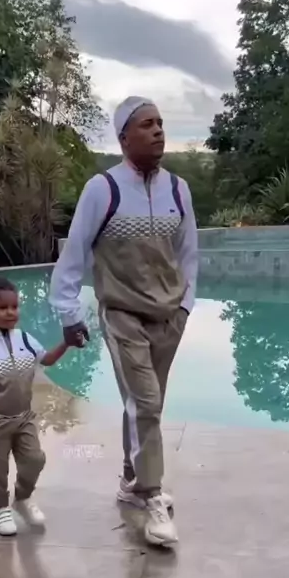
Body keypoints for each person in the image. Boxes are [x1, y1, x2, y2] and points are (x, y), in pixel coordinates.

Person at [49, 96, 198, 547]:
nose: (158, 131)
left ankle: (132, 481)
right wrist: (69, 313)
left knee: (144, 404)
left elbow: (188, 255)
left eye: (160, 123)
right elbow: (73, 255)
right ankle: (152, 496)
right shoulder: (104, 190)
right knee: (146, 402)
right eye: (147, 124)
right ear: (123, 137)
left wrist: (185, 308)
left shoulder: (178, 189)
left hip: (168, 317)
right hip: (122, 315)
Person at [0, 275, 72, 537]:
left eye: (14, 306)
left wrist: (67, 342)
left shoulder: (25, 339)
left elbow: (47, 360)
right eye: (2, 307)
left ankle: (22, 498)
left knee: (35, 459)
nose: (11, 312)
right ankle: (1, 508)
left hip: (23, 418)